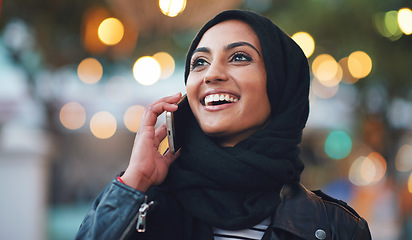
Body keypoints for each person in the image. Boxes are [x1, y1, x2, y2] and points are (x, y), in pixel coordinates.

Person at [75, 10, 372, 240]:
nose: (211, 74)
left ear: (280, 85)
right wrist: (134, 180)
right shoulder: (146, 206)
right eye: (199, 62)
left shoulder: (336, 228)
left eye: (239, 57)